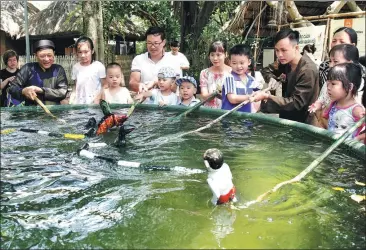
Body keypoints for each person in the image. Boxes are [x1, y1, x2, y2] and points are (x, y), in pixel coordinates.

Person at [254, 29, 319, 124]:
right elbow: (266, 70)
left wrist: (267, 97)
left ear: (296, 48)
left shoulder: (307, 70)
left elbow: (296, 103)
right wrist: (271, 78)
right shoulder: (284, 62)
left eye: (284, 50)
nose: (279, 55)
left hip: (303, 123)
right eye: (277, 50)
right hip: (287, 118)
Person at [8, 40, 68, 105]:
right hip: (32, 113)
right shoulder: (28, 68)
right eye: (42, 56)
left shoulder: (58, 69)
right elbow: (12, 88)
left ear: (54, 54)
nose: (46, 59)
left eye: (49, 55)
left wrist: (41, 90)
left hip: (54, 112)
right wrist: (23, 91)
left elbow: (63, 92)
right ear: (35, 55)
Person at [309, 44, 364, 116]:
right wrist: (317, 105)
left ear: (350, 63)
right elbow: (322, 99)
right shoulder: (329, 81)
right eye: (330, 61)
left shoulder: (359, 87)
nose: (330, 65)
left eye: (335, 61)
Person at [129, 26, 180, 93]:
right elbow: (133, 83)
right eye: (149, 43)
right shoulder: (139, 59)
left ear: (163, 42)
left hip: (168, 102)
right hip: (144, 102)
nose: (152, 47)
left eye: (156, 43)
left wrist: (156, 83)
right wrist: (139, 85)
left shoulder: (174, 60)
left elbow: (176, 87)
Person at [323, 63, 365, 138]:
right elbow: (324, 119)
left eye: (333, 84)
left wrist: (357, 138)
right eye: (327, 83)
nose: (328, 87)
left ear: (349, 87)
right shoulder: (333, 104)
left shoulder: (356, 110)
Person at [221, 44, 259, 113]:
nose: (238, 66)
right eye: (234, 63)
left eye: (242, 63)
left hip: (246, 119)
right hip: (230, 120)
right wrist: (250, 97)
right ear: (230, 62)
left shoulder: (252, 80)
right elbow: (232, 99)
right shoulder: (229, 78)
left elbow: (259, 92)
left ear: (249, 62)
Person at [69, 36, 106, 105]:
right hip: (79, 104)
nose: (83, 55)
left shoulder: (99, 66)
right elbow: (76, 86)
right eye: (80, 52)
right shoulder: (76, 67)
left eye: (86, 52)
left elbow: (105, 86)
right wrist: (72, 97)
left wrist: (98, 98)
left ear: (92, 51)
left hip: (95, 104)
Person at [200, 41, 232, 109]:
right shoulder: (205, 73)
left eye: (218, 55)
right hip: (209, 113)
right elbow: (204, 95)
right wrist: (215, 93)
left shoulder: (232, 72)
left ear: (225, 54)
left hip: (227, 112)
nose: (215, 58)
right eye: (212, 55)